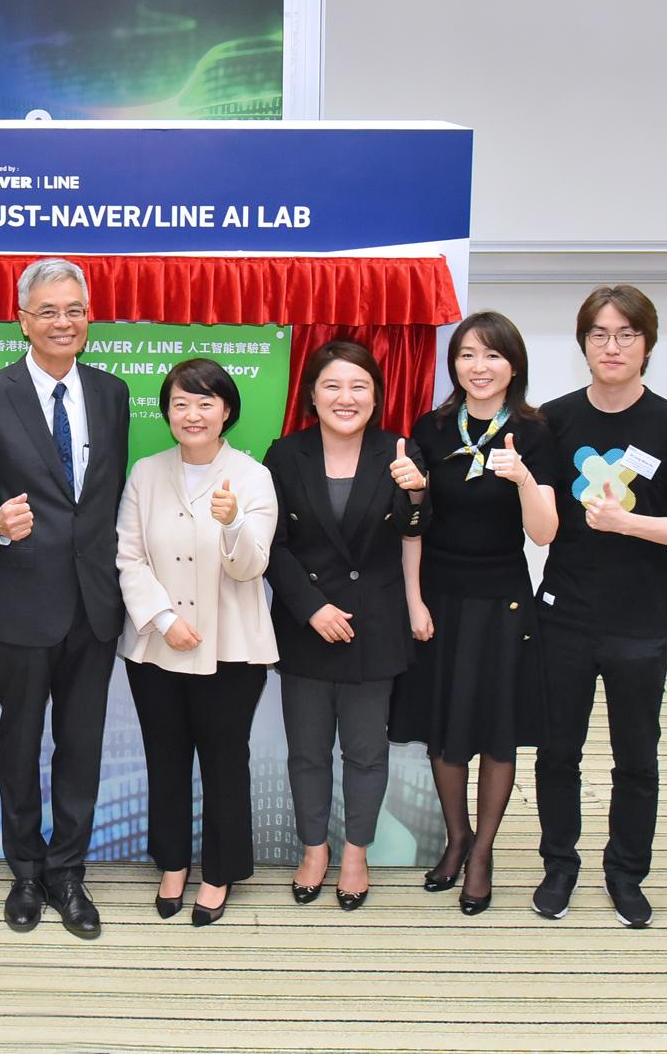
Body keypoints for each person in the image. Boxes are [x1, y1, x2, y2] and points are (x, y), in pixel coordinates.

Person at [0, 257, 131, 938]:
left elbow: (107, 501)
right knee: (20, 741)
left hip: (95, 603)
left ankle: (67, 872)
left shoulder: (111, 393)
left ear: (89, 318)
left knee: (80, 744)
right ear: (22, 320)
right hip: (23, 603)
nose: (63, 322)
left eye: (74, 310)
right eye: (49, 311)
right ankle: (25, 871)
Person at [532, 284, 667, 929]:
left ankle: (626, 872)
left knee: (637, 754)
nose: (613, 347)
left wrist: (628, 524)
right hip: (563, 614)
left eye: (627, 335)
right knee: (557, 751)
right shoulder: (551, 420)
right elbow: (539, 518)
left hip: (641, 618)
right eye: (600, 335)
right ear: (583, 343)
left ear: (648, 344)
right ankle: (559, 864)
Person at [388, 312, 559, 916]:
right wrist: (413, 597)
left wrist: (524, 481)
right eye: (466, 355)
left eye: (491, 356)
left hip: (504, 597)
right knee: (444, 724)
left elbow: (545, 534)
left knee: (495, 729)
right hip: (440, 594)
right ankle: (456, 837)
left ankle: (482, 851)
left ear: (513, 365)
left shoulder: (536, 432)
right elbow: (415, 528)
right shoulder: (433, 428)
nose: (478, 368)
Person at [115, 358, 279, 928]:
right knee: (165, 757)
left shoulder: (252, 476)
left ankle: (218, 872)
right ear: (166, 413)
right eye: (181, 403)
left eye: (206, 402)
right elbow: (129, 557)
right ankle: (172, 864)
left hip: (230, 647)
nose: (193, 414)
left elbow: (250, 566)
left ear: (227, 410)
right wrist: (162, 618)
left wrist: (233, 522)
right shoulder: (146, 473)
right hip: (156, 648)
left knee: (224, 761)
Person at [264, 339, 427, 911]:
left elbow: (417, 527)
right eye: (332, 385)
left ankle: (355, 853)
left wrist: (416, 490)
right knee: (306, 751)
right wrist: (311, 607)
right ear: (312, 394)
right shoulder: (285, 455)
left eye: (359, 386)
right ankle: (315, 850)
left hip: (374, 625)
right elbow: (272, 545)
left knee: (365, 751)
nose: (346, 397)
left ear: (376, 395)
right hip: (307, 624)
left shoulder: (400, 451)